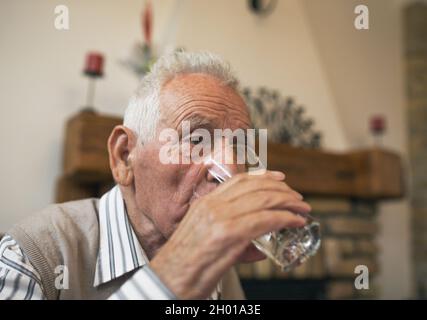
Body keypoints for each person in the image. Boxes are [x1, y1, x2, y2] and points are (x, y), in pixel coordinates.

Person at [0, 51, 310, 300]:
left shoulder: (220, 272)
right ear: (124, 156)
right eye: (197, 140)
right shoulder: (33, 255)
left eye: (239, 149)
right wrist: (171, 275)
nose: (228, 170)